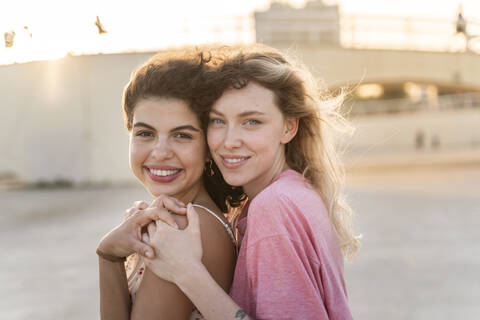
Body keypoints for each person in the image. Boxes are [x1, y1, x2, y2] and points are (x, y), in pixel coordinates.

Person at [143, 45, 361, 320]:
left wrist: (185, 271)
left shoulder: (274, 206)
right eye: (218, 121)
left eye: (251, 122)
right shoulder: (296, 192)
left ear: (288, 127)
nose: (229, 141)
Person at [95, 49, 243, 320]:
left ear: (210, 146)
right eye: (145, 133)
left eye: (182, 135)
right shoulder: (189, 216)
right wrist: (110, 254)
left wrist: (107, 256)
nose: (160, 151)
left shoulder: (182, 226)